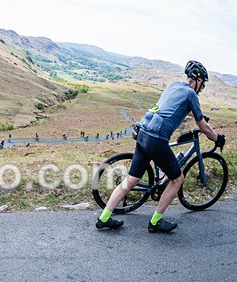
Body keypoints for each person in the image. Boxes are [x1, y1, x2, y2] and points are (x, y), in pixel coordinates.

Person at [96, 60, 224, 233]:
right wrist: (216, 138)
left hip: (143, 132)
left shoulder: (173, 85)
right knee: (177, 179)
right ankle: (156, 221)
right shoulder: (191, 94)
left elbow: (171, 107)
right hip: (156, 139)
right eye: (203, 84)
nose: (202, 88)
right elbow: (202, 126)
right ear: (198, 80)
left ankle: (104, 217)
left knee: (132, 179)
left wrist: (198, 114)